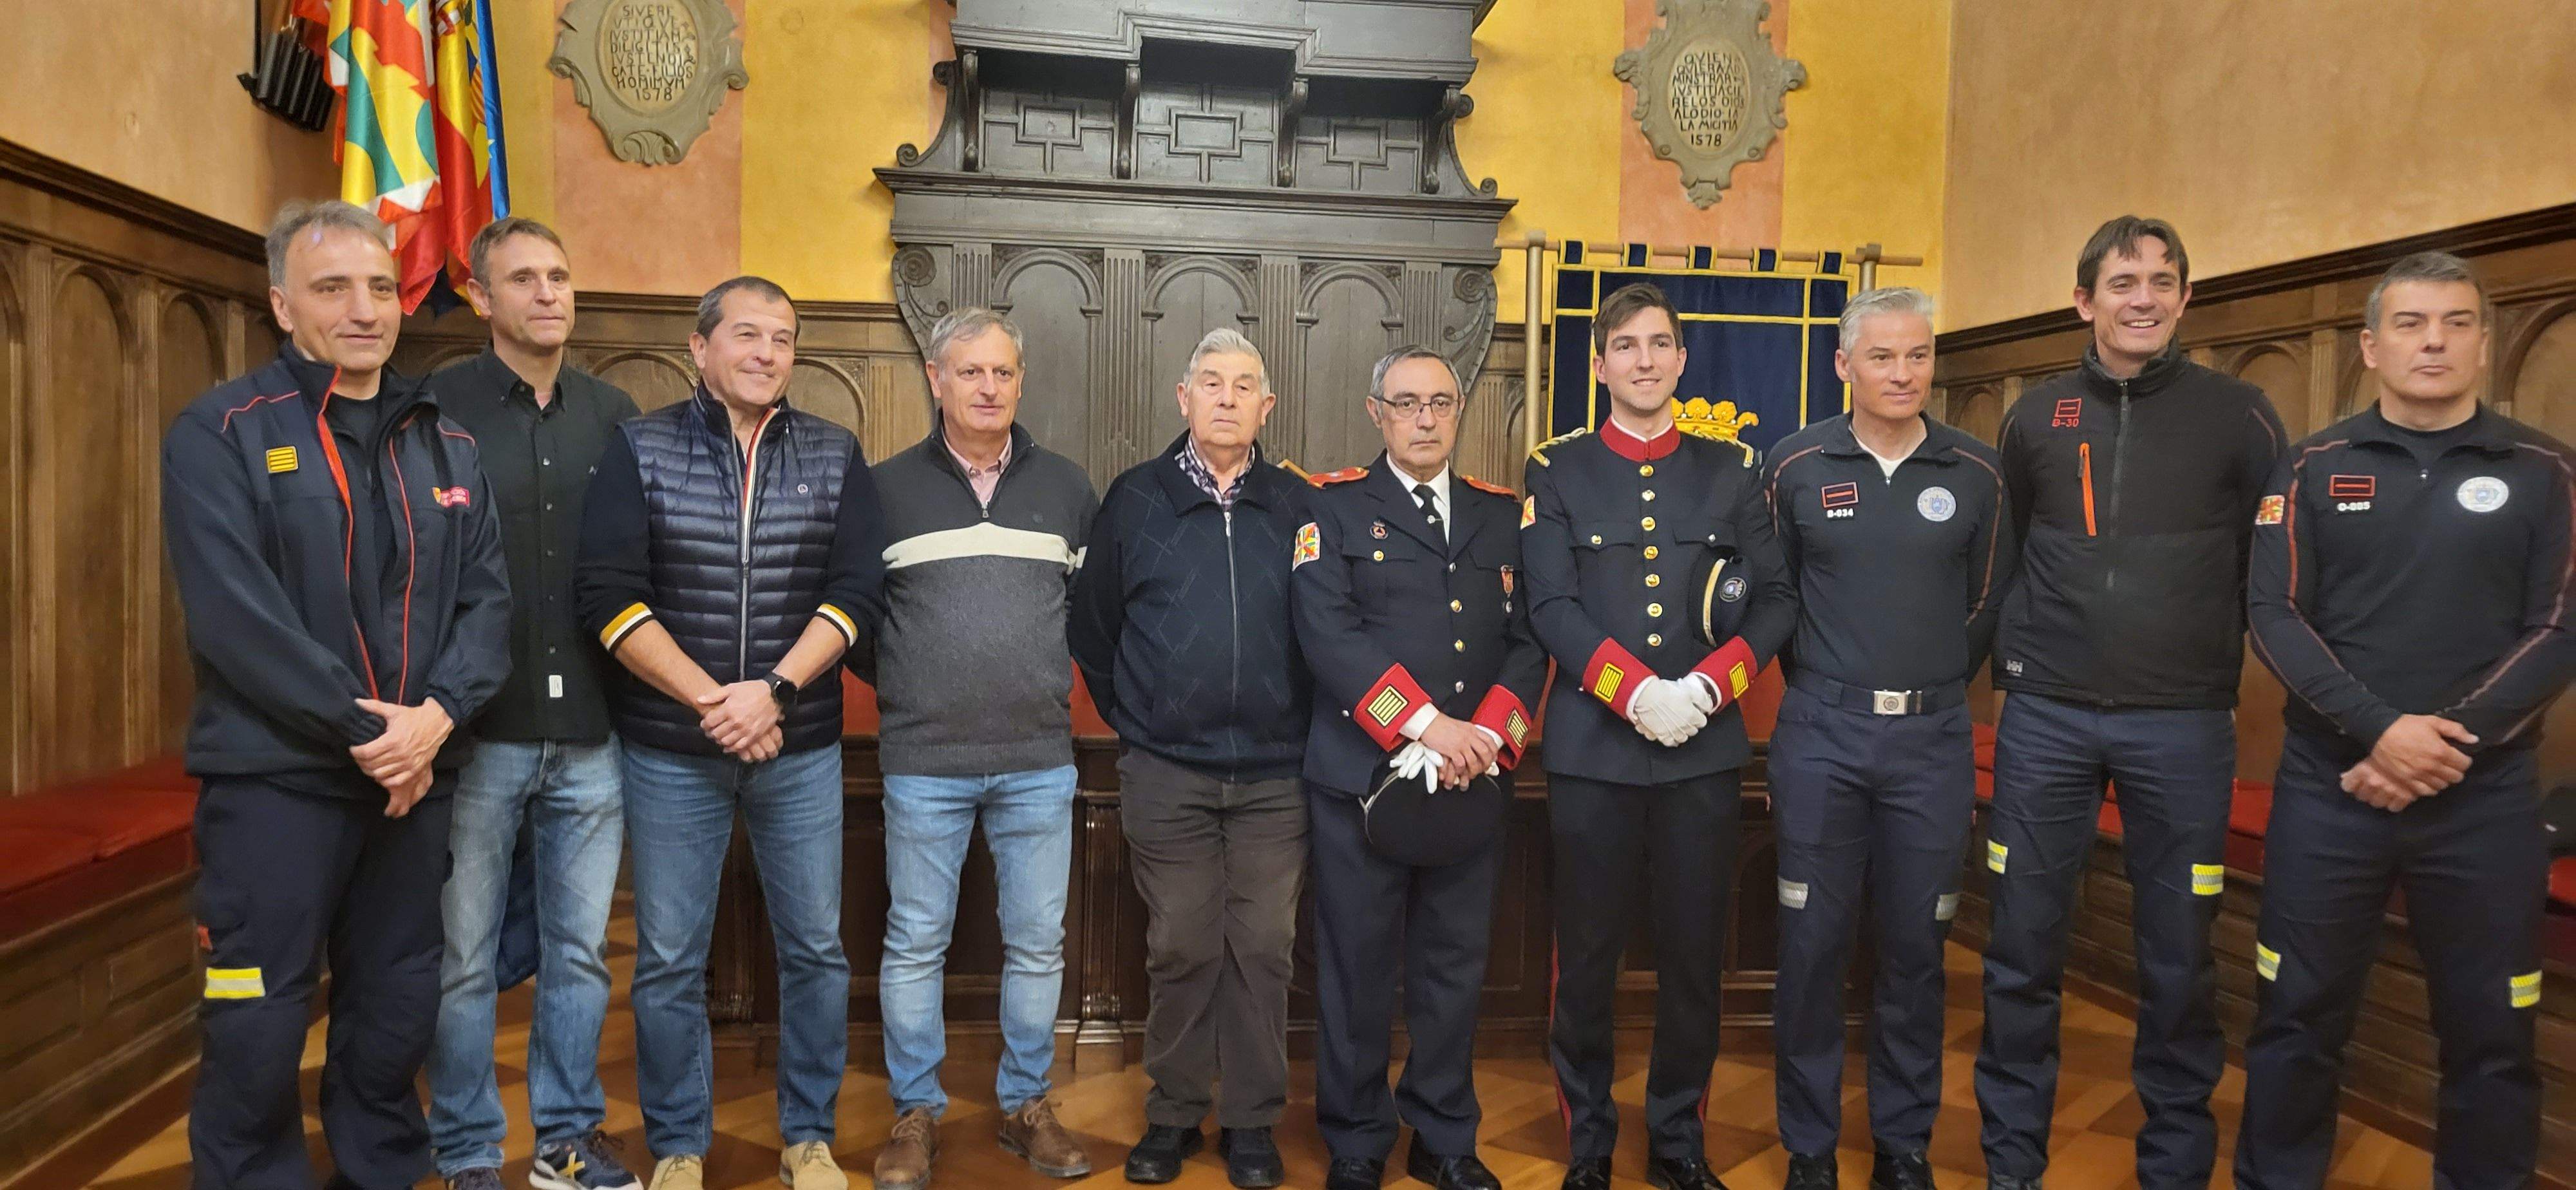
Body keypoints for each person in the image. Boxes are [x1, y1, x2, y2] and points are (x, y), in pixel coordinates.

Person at [162, 198, 511, 1189]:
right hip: (278, 784)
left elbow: (489, 611)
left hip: (416, 787)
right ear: (281, 303)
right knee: (257, 1020)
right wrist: (376, 735)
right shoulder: (219, 432)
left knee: (396, 1012)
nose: (363, 309)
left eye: (378, 286)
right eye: (331, 289)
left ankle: (381, 1173)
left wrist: (434, 724)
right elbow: (239, 625)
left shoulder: (449, 443)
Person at [2236, 252, 2575, 1190]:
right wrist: (2381, 730)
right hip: (2329, 794)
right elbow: (2275, 614)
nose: (2435, 341)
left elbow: (2561, 625)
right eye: (2415, 323)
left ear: (2484, 342)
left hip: (2486, 801)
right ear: (2371, 347)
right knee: (2295, 1019)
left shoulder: (2547, 471)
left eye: (2457, 323)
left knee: (2493, 1036)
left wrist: (2440, 743)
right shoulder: (2310, 465)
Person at [1976, 216, 2286, 1190]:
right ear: (2085, 300)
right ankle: (2011, 1166)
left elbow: (2271, 569)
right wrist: (2015, 671)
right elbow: (2007, 559)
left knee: (2179, 963)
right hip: (2047, 721)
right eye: (2122, 282)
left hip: (2183, 725)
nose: (2143, 298)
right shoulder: (2033, 417)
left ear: (2185, 299)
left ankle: (2175, 1169)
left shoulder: (2242, 418)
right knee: (2020, 952)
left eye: (2162, 281)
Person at [575, 276, 887, 1190]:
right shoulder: (638, 448)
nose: (765, 353)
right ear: (698, 348)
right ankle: (678, 1144)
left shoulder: (835, 453)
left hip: (800, 743)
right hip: (673, 749)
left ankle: (809, 1138)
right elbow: (608, 595)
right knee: (670, 956)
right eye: (746, 335)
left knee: (816, 950)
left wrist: (775, 692)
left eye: (783, 338)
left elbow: (858, 593)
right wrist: (717, 699)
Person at [1520, 281, 1797, 1190]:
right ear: (1599, 365)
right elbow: (1552, 605)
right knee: (1588, 959)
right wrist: (1633, 693)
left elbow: (1777, 603)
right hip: (1594, 753)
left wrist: (1709, 691)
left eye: (1661, 344)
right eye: (1627, 345)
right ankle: (1589, 1142)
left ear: (1682, 360)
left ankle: (1680, 1138)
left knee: (1691, 957)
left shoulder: (1732, 470)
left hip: (1702, 757)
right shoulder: (1555, 471)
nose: (1645, 360)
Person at [1759, 288, 2011, 1190]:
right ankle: (1810, 1149)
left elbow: (1987, 605)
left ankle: (1903, 1145)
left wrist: (1929, 680)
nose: (1903, 374)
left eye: (1918, 356)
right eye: (1883, 357)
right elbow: (1776, 601)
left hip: (1933, 744)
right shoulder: (1791, 465)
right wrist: (1834, 688)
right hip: (1821, 736)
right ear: (1844, 365)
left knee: (1917, 949)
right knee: (1813, 948)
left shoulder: (1976, 473)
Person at [422, 216, 643, 1190]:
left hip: (593, 729)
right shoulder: (437, 408)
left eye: (560, 274)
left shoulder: (614, 411)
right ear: (480, 297)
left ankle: (564, 1137)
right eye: (524, 279)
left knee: (581, 956)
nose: (549, 293)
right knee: (463, 957)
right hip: (479, 731)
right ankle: (468, 1149)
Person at [1293, 346, 1548, 1190]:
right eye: (1408, 403)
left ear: (1460, 408)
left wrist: (1485, 737)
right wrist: (1428, 724)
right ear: (1377, 414)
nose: (1427, 418)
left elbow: (1528, 640)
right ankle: (1358, 1139)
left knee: (1452, 966)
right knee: (1358, 969)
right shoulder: (1329, 511)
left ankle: (1444, 1135)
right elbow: (1326, 634)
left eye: (1441, 401)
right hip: (1364, 780)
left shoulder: (1500, 516)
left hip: (1471, 779)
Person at [858, 307, 1099, 1189]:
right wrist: (913, 685)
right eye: (970, 373)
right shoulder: (883, 488)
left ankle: (1026, 1105)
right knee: (915, 939)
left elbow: (1088, 617)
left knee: (1038, 943)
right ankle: (914, 1113)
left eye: (1002, 373)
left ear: (1020, 382)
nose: (988, 388)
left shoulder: (1069, 487)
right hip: (923, 759)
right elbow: (856, 619)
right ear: (936, 378)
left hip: (1039, 758)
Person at [1069, 328, 1313, 1189]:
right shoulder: (1133, 499)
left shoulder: (1296, 506)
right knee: (1180, 944)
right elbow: (1092, 630)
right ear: (1183, 398)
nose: (1226, 397)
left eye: (1244, 385)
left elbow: (1327, 633)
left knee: (1266, 946)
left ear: (1265, 408)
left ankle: (1250, 1121)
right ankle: (1172, 1112)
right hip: (1167, 772)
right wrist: (1139, 721)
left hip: (1278, 776)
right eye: (1211, 382)